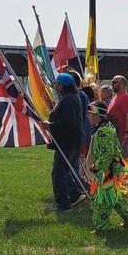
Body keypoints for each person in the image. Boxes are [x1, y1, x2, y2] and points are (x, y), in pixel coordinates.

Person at [85, 101, 128, 231]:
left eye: (91, 114)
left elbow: (106, 154)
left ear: (98, 115)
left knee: (102, 200)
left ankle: (103, 226)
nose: (88, 116)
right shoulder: (105, 127)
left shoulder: (104, 131)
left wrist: (95, 168)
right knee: (113, 196)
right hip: (111, 168)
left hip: (107, 170)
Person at [44, 73, 86, 211]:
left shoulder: (67, 100)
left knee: (59, 172)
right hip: (73, 140)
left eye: (56, 83)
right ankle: (74, 194)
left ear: (62, 85)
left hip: (67, 141)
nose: (54, 85)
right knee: (66, 170)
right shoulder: (72, 98)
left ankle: (63, 203)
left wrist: (50, 125)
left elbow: (68, 123)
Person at [107, 75, 128, 159]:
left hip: (120, 134)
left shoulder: (125, 96)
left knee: (119, 159)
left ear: (122, 84)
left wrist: (127, 132)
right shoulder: (116, 97)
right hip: (113, 133)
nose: (112, 84)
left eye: (114, 82)